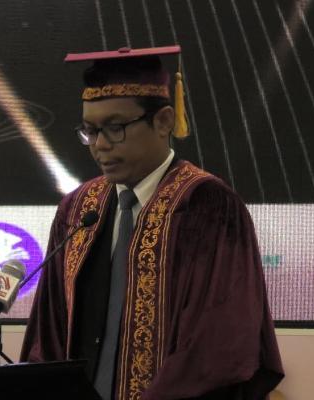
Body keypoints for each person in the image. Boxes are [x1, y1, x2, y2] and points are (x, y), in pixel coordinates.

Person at [20, 46, 283, 400]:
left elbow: (215, 344)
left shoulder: (206, 206)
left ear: (163, 121)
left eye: (115, 128)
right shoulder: (78, 209)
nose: (100, 146)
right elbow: (48, 335)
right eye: (90, 131)